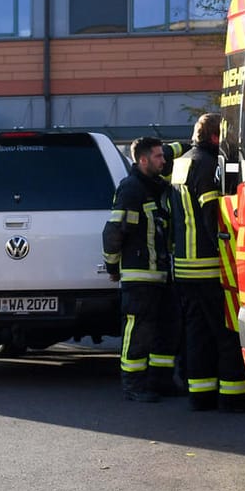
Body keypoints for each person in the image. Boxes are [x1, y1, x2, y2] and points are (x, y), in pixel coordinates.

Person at [168, 113, 245, 411]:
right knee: (226, 331)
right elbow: (210, 214)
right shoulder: (207, 164)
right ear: (216, 136)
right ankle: (233, 397)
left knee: (197, 333)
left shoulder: (182, 163)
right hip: (208, 264)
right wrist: (226, 246)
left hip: (184, 264)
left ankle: (201, 396)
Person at [102, 136, 178, 401]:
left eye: (162, 155)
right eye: (158, 156)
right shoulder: (131, 189)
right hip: (139, 275)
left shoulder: (157, 187)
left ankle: (160, 382)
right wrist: (112, 265)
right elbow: (113, 232)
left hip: (161, 274)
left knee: (165, 330)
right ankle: (133, 384)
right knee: (139, 331)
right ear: (143, 160)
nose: (163, 160)